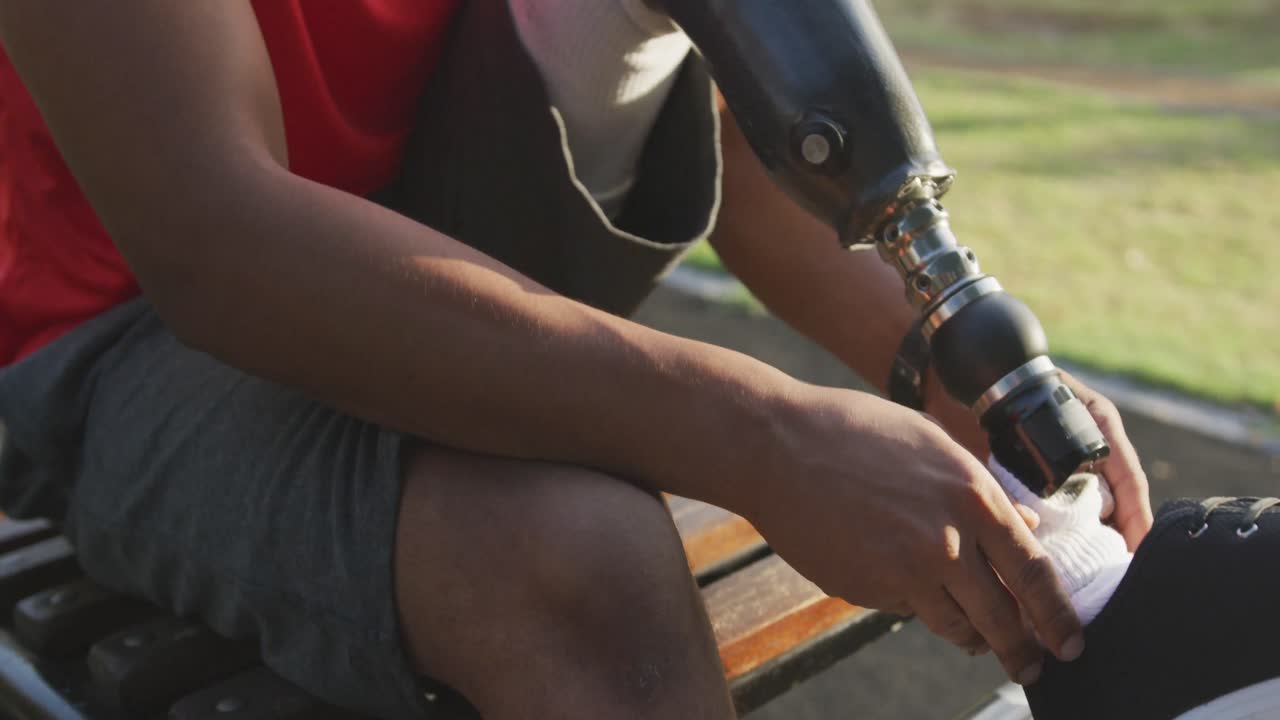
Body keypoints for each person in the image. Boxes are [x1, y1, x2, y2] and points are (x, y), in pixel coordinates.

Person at [0, 1, 1155, 718]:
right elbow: (217, 244)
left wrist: (936, 354)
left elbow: (755, 159)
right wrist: (772, 437)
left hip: (428, 212)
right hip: (125, 314)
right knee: (580, 567)